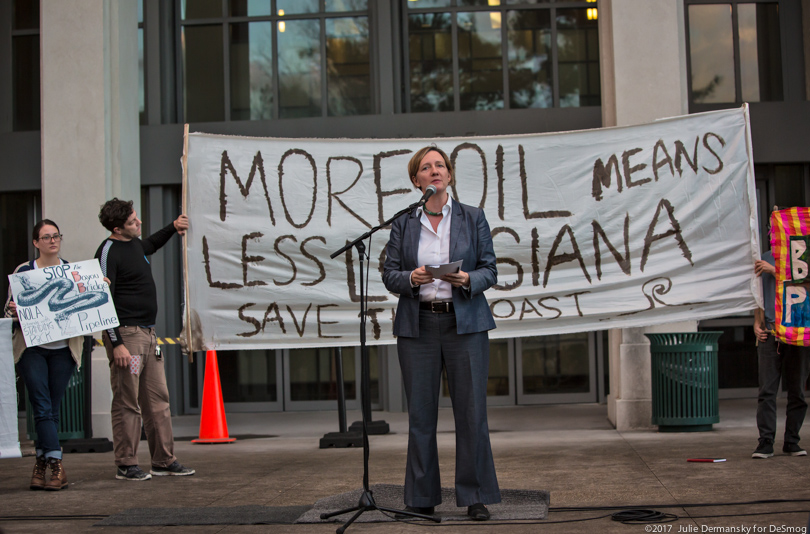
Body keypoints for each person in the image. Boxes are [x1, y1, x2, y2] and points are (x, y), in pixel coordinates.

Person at [382, 146, 501, 521]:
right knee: (420, 416)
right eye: (425, 167)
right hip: (419, 325)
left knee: (471, 413)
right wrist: (411, 278)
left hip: (464, 323)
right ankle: (421, 497)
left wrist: (467, 278)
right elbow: (389, 274)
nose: (434, 171)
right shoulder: (404, 222)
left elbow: (490, 269)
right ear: (416, 180)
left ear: (449, 175)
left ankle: (475, 496)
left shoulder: (473, 217)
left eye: (440, 165)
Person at [95, 198, 195, 480]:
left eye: (137, 218)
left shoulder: (135, 244)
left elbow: (151, 244)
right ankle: (126, 463)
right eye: (132, 222)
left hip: (149, 336)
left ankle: (164, 460)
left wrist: (173, 227)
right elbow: (103, 300)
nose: (138, 223)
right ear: (117, 228)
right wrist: (117, 344)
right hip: (128, 338)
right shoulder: (108, 252)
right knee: (129, 400)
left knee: (158, 400)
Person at [4, 220, 84, 491]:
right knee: (41, 404)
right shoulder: (24, 271)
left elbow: (83, 305)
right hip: (32, 349)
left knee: (50, 408)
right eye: (46, 237)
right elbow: (9, 310)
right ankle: (57, 467)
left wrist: (97, 288)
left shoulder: (72, 271)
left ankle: (41, 465)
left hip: (62, 350)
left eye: (56, 236)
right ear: (36, 243)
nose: (52, 241)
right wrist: (12, 310)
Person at [752, 237, 810, 459]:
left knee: (797, 390)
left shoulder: (802, 258)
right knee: (767, 390)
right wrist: (756, 322)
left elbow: (805, 284)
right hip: (771, 331)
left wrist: (776, 271)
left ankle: (792, 441)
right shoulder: (764, 257)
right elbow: (759, 293)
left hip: (798, 332)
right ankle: (765, 441)